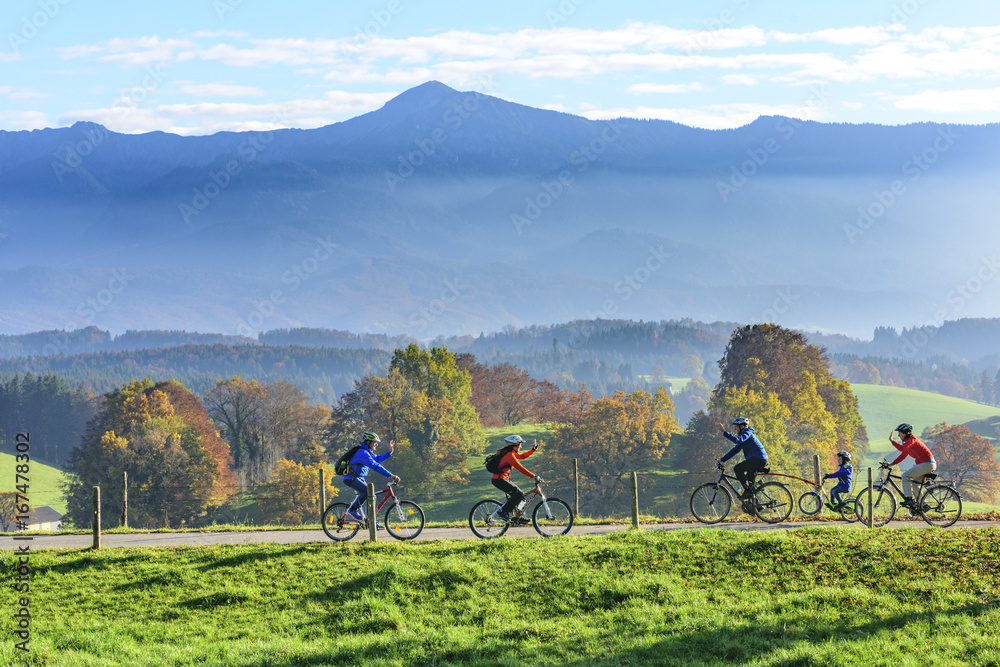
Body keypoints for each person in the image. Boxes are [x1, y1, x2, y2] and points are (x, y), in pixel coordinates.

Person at [342, 431, 400, 527]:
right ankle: (352, 510)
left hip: (358, 477)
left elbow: (376, 459)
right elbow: (375, 466)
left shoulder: (367, 452)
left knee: (372, 496)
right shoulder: (363, 453)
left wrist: (389, 452)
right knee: (367, 492)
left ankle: (371, 522)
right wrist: (391, 475)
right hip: (351, 478)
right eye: (374, 442)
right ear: (368, 442)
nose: (376, 444)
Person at [490, 434, 541, 523]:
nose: (521, 447)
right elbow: (520, 467)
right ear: (514, 445)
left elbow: (522, 456)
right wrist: (533, 476)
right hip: (499, 480)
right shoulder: (509, 455)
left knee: (521, 497)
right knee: (518, 494)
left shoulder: (511, 453)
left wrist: (533, 450)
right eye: (519, 445)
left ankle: (518, 517)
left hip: (504, 479)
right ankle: (502, 511)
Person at [887, 423, 936, 511]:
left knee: (905, 476)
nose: (898, 435)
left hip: (927, 464)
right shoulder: (908, 442)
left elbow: (902, 449)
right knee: (914, 484)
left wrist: (892, 441)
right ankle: (923, 505)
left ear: (905, 433)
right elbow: (904, 454)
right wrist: (892, 463)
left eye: (900, 433)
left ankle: (909, 499)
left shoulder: (911, 440)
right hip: (927, 464)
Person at [716, 417, 769, 497]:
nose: (735, 429)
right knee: (749, 484)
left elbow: (738, 440)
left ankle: (747, 491)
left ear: (742, 426)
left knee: (737, 468)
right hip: (757, 460)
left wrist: (724, 432)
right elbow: (735, 450)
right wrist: (722, 460)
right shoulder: (743, 438)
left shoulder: (747, 433)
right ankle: (756, 506)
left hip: (758, 459)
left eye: (736, 426)